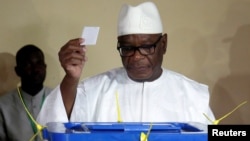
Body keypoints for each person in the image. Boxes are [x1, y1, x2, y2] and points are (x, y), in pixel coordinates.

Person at [37, 1, 215, 126]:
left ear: (163, 44)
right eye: (127, 48)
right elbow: (55, 125)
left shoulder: (191, 95)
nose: (136, 57)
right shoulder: (95, 90)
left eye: (146, 47)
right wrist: (70, 79)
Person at [0, 45, 52, 141]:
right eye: (28, 64)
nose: (35, 69)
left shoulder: (59, 99)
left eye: (39, 63)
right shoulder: (3, 105)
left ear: (45, 67)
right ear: (18, 71)